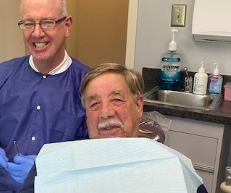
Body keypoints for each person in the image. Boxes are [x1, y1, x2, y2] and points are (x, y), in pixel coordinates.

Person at [0, 0, 90, 193]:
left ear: (67, 25)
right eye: (28, 23)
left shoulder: (89, 85)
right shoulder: (0, 76)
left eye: (47, 22)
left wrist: (47, 167)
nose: (37, 32)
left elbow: (95, 152)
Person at [20, 63, 208, 193]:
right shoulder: (50, 166)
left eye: (116, 100)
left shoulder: (171, 166)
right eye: (94, 104)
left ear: (138, 105)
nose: (105, 113)